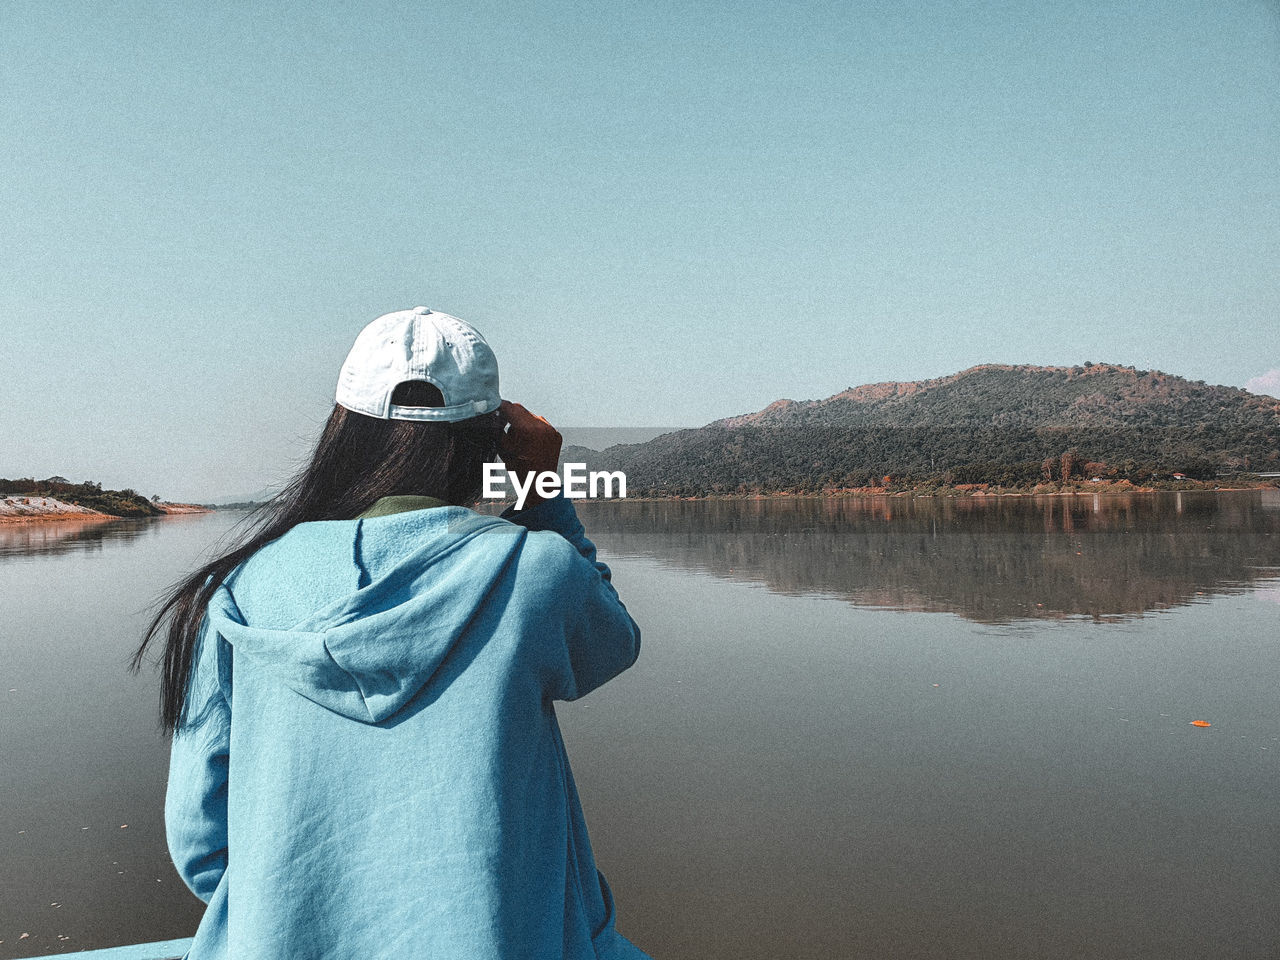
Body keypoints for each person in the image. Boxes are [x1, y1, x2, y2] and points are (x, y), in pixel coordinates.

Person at [134, 307, 650, 959]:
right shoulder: (535, 571)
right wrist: (542, 485)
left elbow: (200, 838)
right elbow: (612, 639)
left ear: (341, 434)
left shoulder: (236, 587)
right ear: (489, 440)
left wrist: (301, 916)